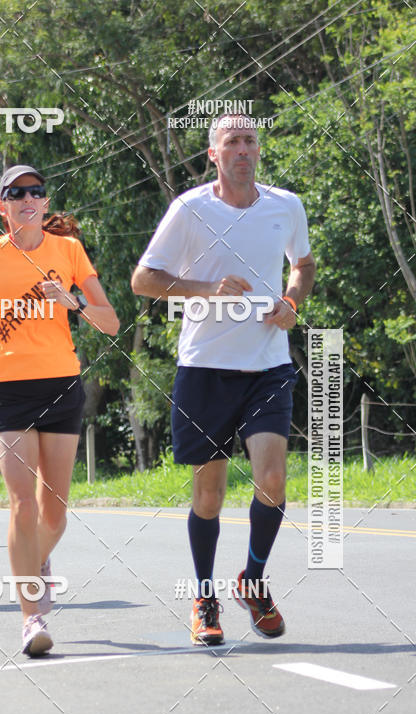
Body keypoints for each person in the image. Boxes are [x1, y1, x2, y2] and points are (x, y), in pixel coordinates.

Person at [131, 115, 316, 646]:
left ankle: (253, 580)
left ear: (259, 150)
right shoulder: (190, 209)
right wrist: (207, 288)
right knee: (209, 495)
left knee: (273, 481)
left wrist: (291, 301)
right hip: (205, 370)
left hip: (268, 367)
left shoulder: (286, 205)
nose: (242, 149)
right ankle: (204, 597)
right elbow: (144, 280)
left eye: (249, 141)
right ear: (213, 154)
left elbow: (302, 264)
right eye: (231, 142)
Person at [0, 164, 119, 656]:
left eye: (37, 192)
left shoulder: (67, 250)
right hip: (6, 388)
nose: (29, 198)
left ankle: (35, 562)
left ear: (45, 204)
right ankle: (32, 620)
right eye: (17, 193)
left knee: (55, 513)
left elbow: (110, 322)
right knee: (22, 504)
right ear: (2, 205)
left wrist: (72, 302)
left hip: (61, 384)